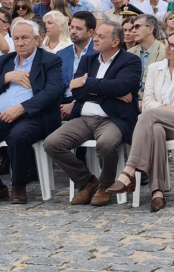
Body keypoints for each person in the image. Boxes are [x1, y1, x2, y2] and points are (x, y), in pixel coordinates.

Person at [0, 20, 63, 205]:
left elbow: (53, 91)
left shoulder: (50, 60)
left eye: (25, 38)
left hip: (34, 116)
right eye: (16, 38)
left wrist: (23, 107)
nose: (20, 43)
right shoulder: (6, 61)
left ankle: (18, 186)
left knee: (17, 136)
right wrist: (7, 77)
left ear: (37, 39)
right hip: (2, 116)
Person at [104, 31, 174, 211]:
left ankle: (129, 171)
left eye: (172, 45)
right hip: (160, 121)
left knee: (148, 116)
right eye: (167, 42)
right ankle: (157, 192)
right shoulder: (155, 68)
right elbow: (148, 102)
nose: (166, 47)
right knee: (156, 129)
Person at [45, 21, 141, 206]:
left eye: (101, 36)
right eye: (95, 34)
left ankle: (105, 185)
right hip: (84, 117)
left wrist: (87, 83)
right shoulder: (88, 60)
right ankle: (87, 182)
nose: (95, 38)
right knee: (52, 143)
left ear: (115, 42)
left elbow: (122, 86)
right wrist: (109, 93)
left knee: (106, 144)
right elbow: (76, 91)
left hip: (113, 118)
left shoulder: (130, 61)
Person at [57, 12, 97, 118]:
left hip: (87, 103)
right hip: (61, 102)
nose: (73, 31)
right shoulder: (61, 54)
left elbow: (97, 85)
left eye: (78, 28)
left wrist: (75, 104)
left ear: (90, 32)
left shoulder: (99, 53)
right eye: (72, 27)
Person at [128, 14, 166, 84]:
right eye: (133, 27)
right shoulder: (130, 52)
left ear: (150, 29)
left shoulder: (164, 52)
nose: (133, 31)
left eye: (137, 26)